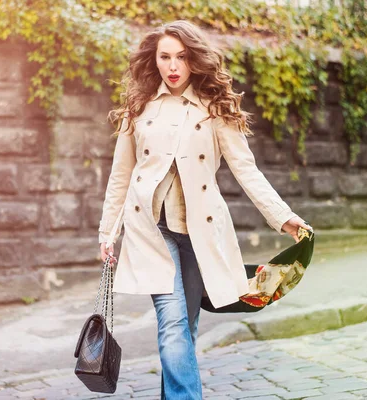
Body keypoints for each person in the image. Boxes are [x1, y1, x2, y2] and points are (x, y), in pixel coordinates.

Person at [97, 20, 311, 399]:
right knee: (174, 323)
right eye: (165, 57)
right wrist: (107, 233)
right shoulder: (139, 108)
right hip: (153, 232)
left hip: (200, 234)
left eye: (182, 57)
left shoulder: (214, 108)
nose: (173, 66)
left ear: (194, 60)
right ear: (155, 59)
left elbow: (246, 169)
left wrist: (283, 216)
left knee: (186, 328)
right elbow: (121, 176)